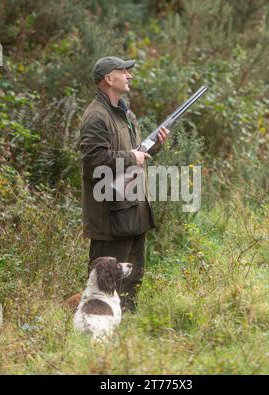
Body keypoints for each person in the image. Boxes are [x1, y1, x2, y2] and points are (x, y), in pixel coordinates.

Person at [79, 56, 169, 311]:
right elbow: (94, 161)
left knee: (132, 282)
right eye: (123, 71)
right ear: (109, 78)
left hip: (133, 211)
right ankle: (94, 334)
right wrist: (132, 156)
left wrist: (156, 144)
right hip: (110, 217)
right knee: (103, 285)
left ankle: (126, 330)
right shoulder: (96, 116)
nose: (129, 75)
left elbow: (136, 156)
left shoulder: (126, 114)